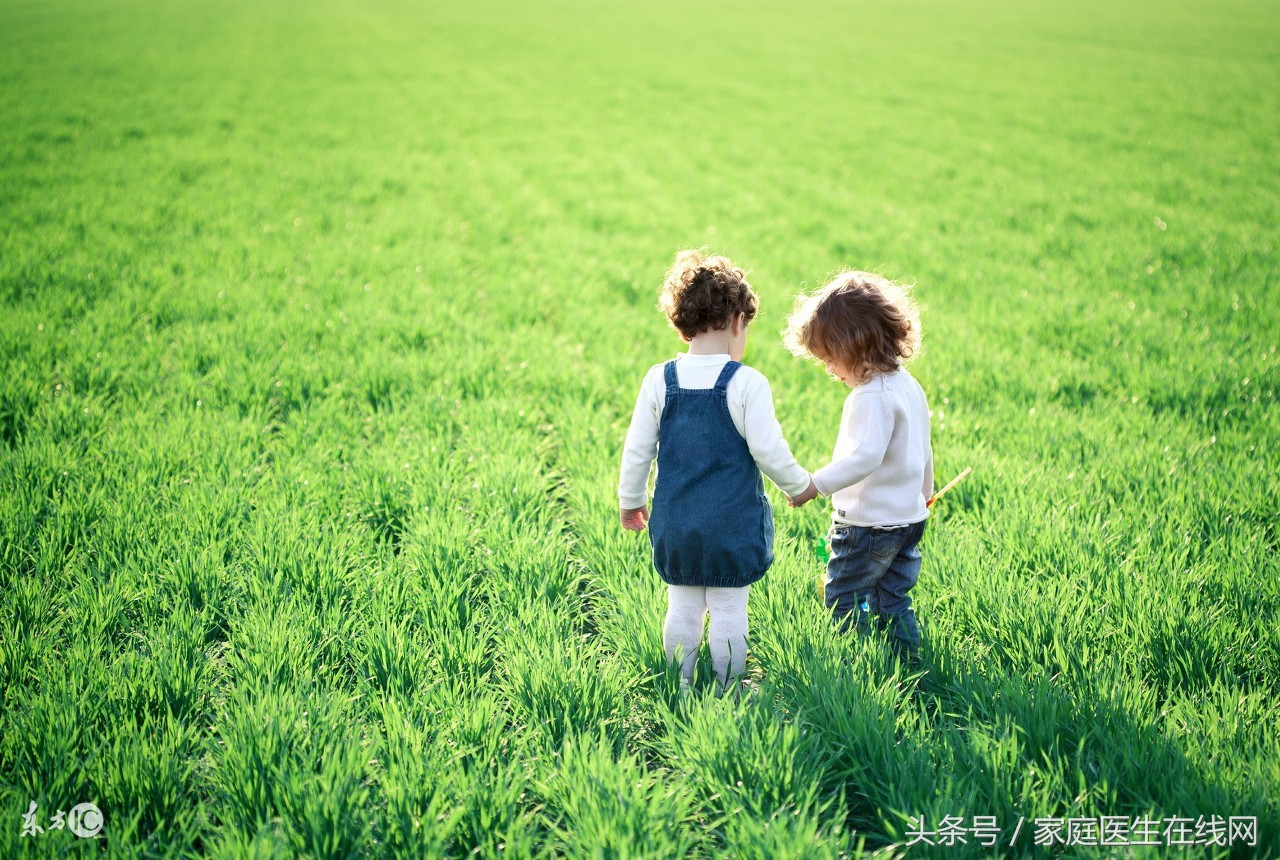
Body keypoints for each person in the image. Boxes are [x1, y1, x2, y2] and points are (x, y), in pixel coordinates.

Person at [619, 249, 815, 694]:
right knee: (729, 607)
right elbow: (769, 450)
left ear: (681, 321)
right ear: (737, 321)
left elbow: (637, 450)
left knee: (682, 606)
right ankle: (729, 687)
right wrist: (799, 486)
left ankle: (681, 686)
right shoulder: (746, 383)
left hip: (677, 521)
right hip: (731, 524)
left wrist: (631, 501)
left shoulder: (659, 379)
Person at [784, 270, 933, 663]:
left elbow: (865, 457)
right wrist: (924, 493)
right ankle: (908, 662)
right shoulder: (907, 385)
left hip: (868, 526)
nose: (830, 370)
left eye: (832, 359)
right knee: (892, 598)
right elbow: (922, 445)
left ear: (855, 346)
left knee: (843, 596)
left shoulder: (872, 396)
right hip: (908, 520)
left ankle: (850, 665)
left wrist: (815, 484)